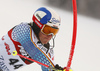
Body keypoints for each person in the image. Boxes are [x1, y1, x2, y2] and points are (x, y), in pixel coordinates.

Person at [0, 7, 65, 71]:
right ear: (38, 25)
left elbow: (47, 68)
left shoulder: (47, 51)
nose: (50, 36)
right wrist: (54, 68)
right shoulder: (22, 29)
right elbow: (33, 49)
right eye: (47, 30)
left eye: (54, 32)